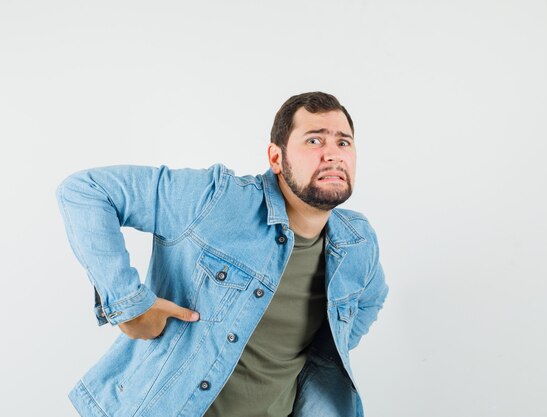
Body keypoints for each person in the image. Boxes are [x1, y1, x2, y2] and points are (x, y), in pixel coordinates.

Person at [56, 91, 388, 417]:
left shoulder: (357, 242)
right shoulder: (216, 199)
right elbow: (86, 191)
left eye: (343, 142)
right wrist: (129, 305)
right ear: (276, 158)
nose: (332, 154)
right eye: (314, 141)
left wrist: (324, 355)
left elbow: (371, 299)